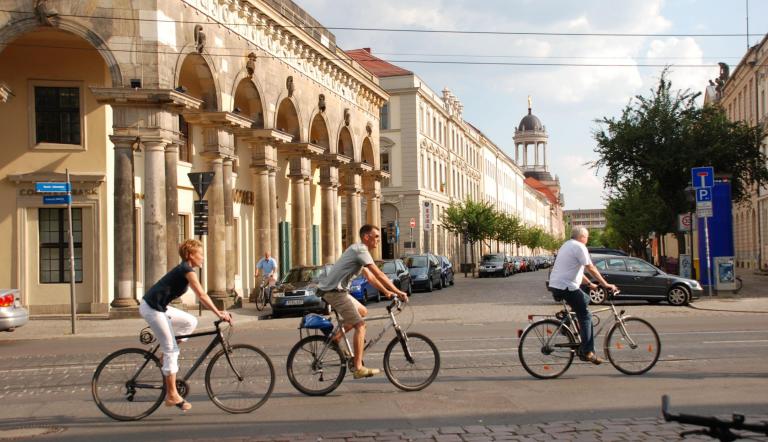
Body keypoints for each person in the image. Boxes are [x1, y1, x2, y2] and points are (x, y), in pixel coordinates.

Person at [139, 239, 232, 411]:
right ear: (190, 255)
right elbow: (202, 295)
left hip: (161, 307)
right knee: (172, 350)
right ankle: (172, 395)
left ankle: (164, 358)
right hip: (151, 308)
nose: (203, 257)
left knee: (190, 322)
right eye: (200, 254)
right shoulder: (186, 270)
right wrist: (219, 313)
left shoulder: (187, 270)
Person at [317, 224, 409, 379]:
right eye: (377, 236)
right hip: (334, 292)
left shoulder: (359, 252)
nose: (379, 240)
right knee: (360, 325)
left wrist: (387, 292)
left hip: (338, 291)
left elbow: (371, 278)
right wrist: (398, 292)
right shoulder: (360, 250)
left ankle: (336, 339)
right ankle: (358, 368)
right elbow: (379, 274)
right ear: (367, 237)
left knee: (363, 312)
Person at [548, 226, 618, 365]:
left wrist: (590, 284)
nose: (587, 239)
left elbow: (576, 270)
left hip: (557, 284)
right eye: (587, 237)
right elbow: (590, 267)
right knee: (586, 316)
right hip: (566, 286)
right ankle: (587, 352)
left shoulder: (566, 245)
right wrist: (606, 284)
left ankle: (567, 322)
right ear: (582, 237)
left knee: (585, 299)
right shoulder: (580, 247)